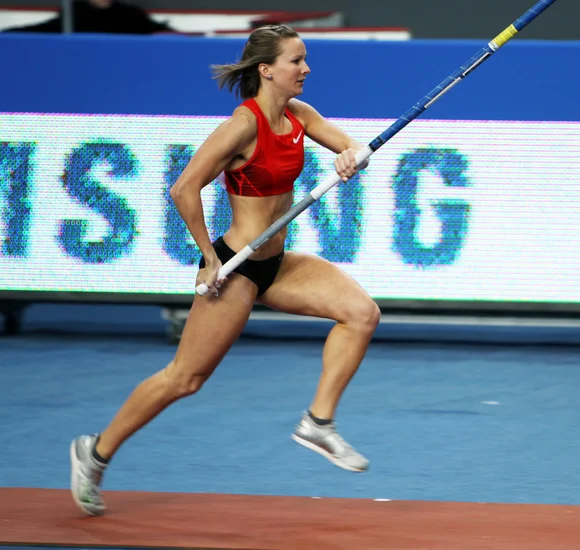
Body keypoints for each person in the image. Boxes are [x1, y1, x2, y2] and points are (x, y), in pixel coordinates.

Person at [70, 24, 381, 517]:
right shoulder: (243, 125)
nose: (306, 69)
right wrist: (210, 259)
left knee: (362, 313)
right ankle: (96, 451)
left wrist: (350, 156)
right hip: (234, 268)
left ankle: (318, 422)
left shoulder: (299, 115)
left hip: (278, 264)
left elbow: (347, 144)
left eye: (304, 60)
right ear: (266, 70)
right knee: (185, 379)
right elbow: (183, 189)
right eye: (296, 61)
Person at [2, 0, 174, 35]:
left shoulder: (130, 15)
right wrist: (7, 35)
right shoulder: (75, 12)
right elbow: (45, 29)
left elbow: (160, 33)